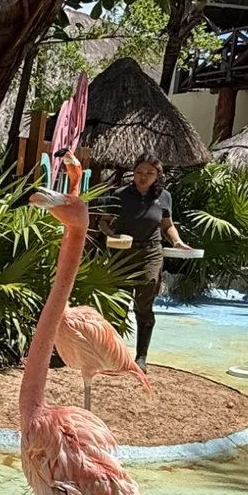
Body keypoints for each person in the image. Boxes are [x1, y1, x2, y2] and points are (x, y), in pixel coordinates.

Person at [98, 152, 193, 371]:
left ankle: (141, 356)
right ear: (133, 172)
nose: (143, 176)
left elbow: (167, 224)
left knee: (144, 303)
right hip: (122, 252)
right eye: (139, 172)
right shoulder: (119, 194)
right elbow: (104, 222)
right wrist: (111, 234)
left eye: (149, 173)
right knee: (118, 303)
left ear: (157, 175)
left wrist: (177, 242)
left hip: (150, 252)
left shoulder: (164, 197)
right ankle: (114, 354)